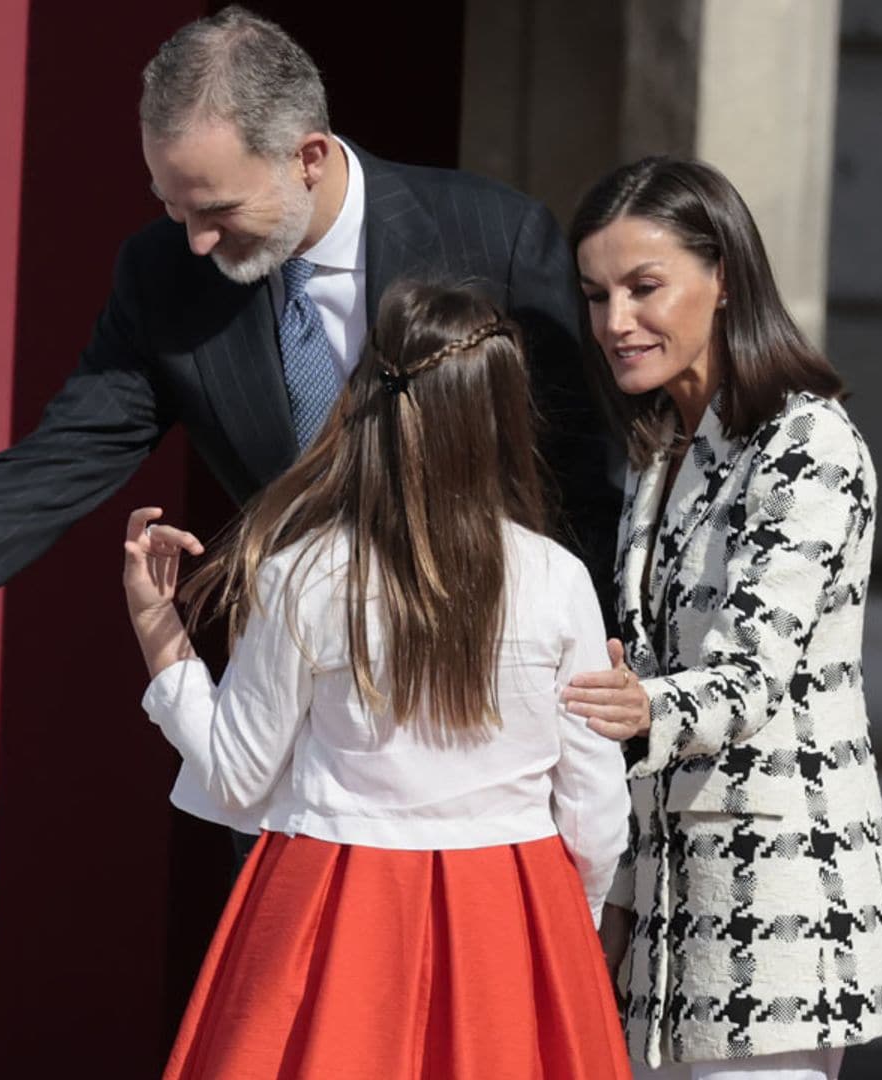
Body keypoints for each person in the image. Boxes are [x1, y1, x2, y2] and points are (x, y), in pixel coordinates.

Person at [0, 5, 640, 728]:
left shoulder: (493, 238)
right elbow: (54, 464)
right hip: (294, 723)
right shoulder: (164, 274)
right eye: (171, 207)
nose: (196, 241)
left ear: (308, 156)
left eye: (216, 210)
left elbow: (579, 479)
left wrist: (584, 682)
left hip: (488, 708)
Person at [121, 280, 632, 1079]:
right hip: (512, 910)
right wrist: (573, 927)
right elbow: (595, 812)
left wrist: (160, 632)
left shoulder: (304, 573)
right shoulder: (558, 578)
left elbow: (235, 774)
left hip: (332, 909)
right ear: (499, 416)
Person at [572, 157, 882, 1078]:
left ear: (723, 280)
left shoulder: (809, 442)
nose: (615, 322)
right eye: (596, 296)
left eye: (644, 287)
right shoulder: (659, 450)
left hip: (782, 902)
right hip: (666, 919)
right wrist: (620, 908)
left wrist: (633, 709)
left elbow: (751, 675)